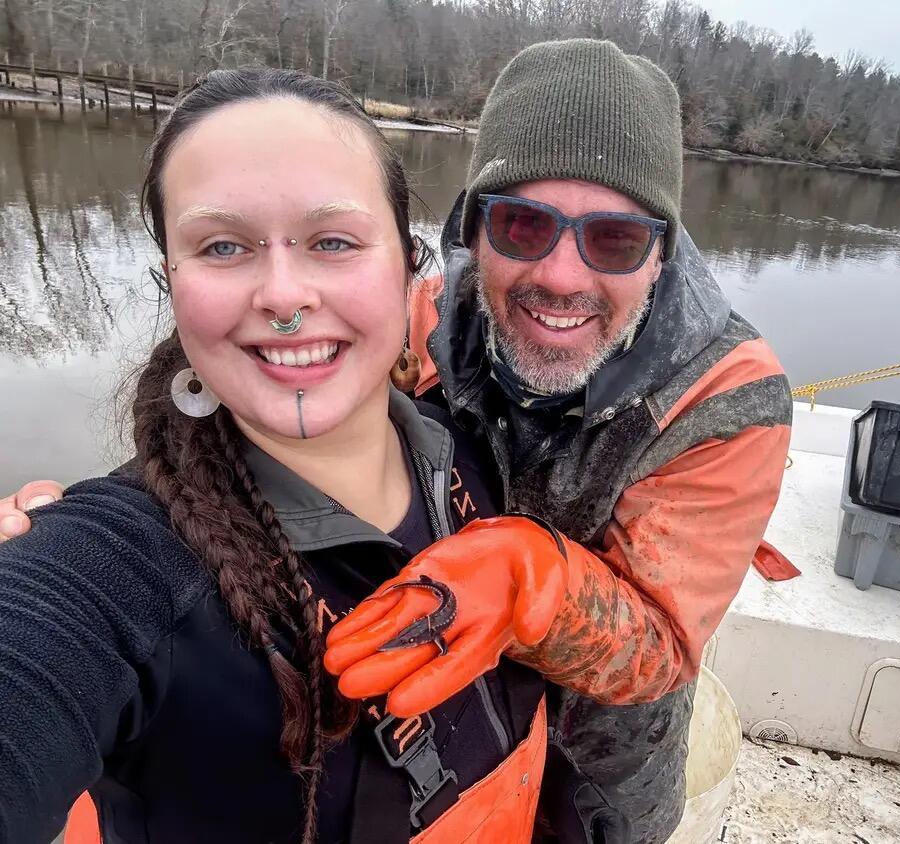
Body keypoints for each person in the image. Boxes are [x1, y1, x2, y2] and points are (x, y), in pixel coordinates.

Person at [4, 39, 793, 844]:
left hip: (598, 760)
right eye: (522, 225)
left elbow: (661, 644)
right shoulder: (422, 317)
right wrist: (66, 535)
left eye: (614, 240)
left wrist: (530, 583)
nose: (560, 275)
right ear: (464, 233)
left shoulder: (725, 397)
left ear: (659, 251)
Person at [0, 68, 551, 844]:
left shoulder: (481, 457)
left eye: (333, 241)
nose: (283, 297)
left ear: (409, 268)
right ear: (172, 281)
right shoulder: (117, 567)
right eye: (223, 245)